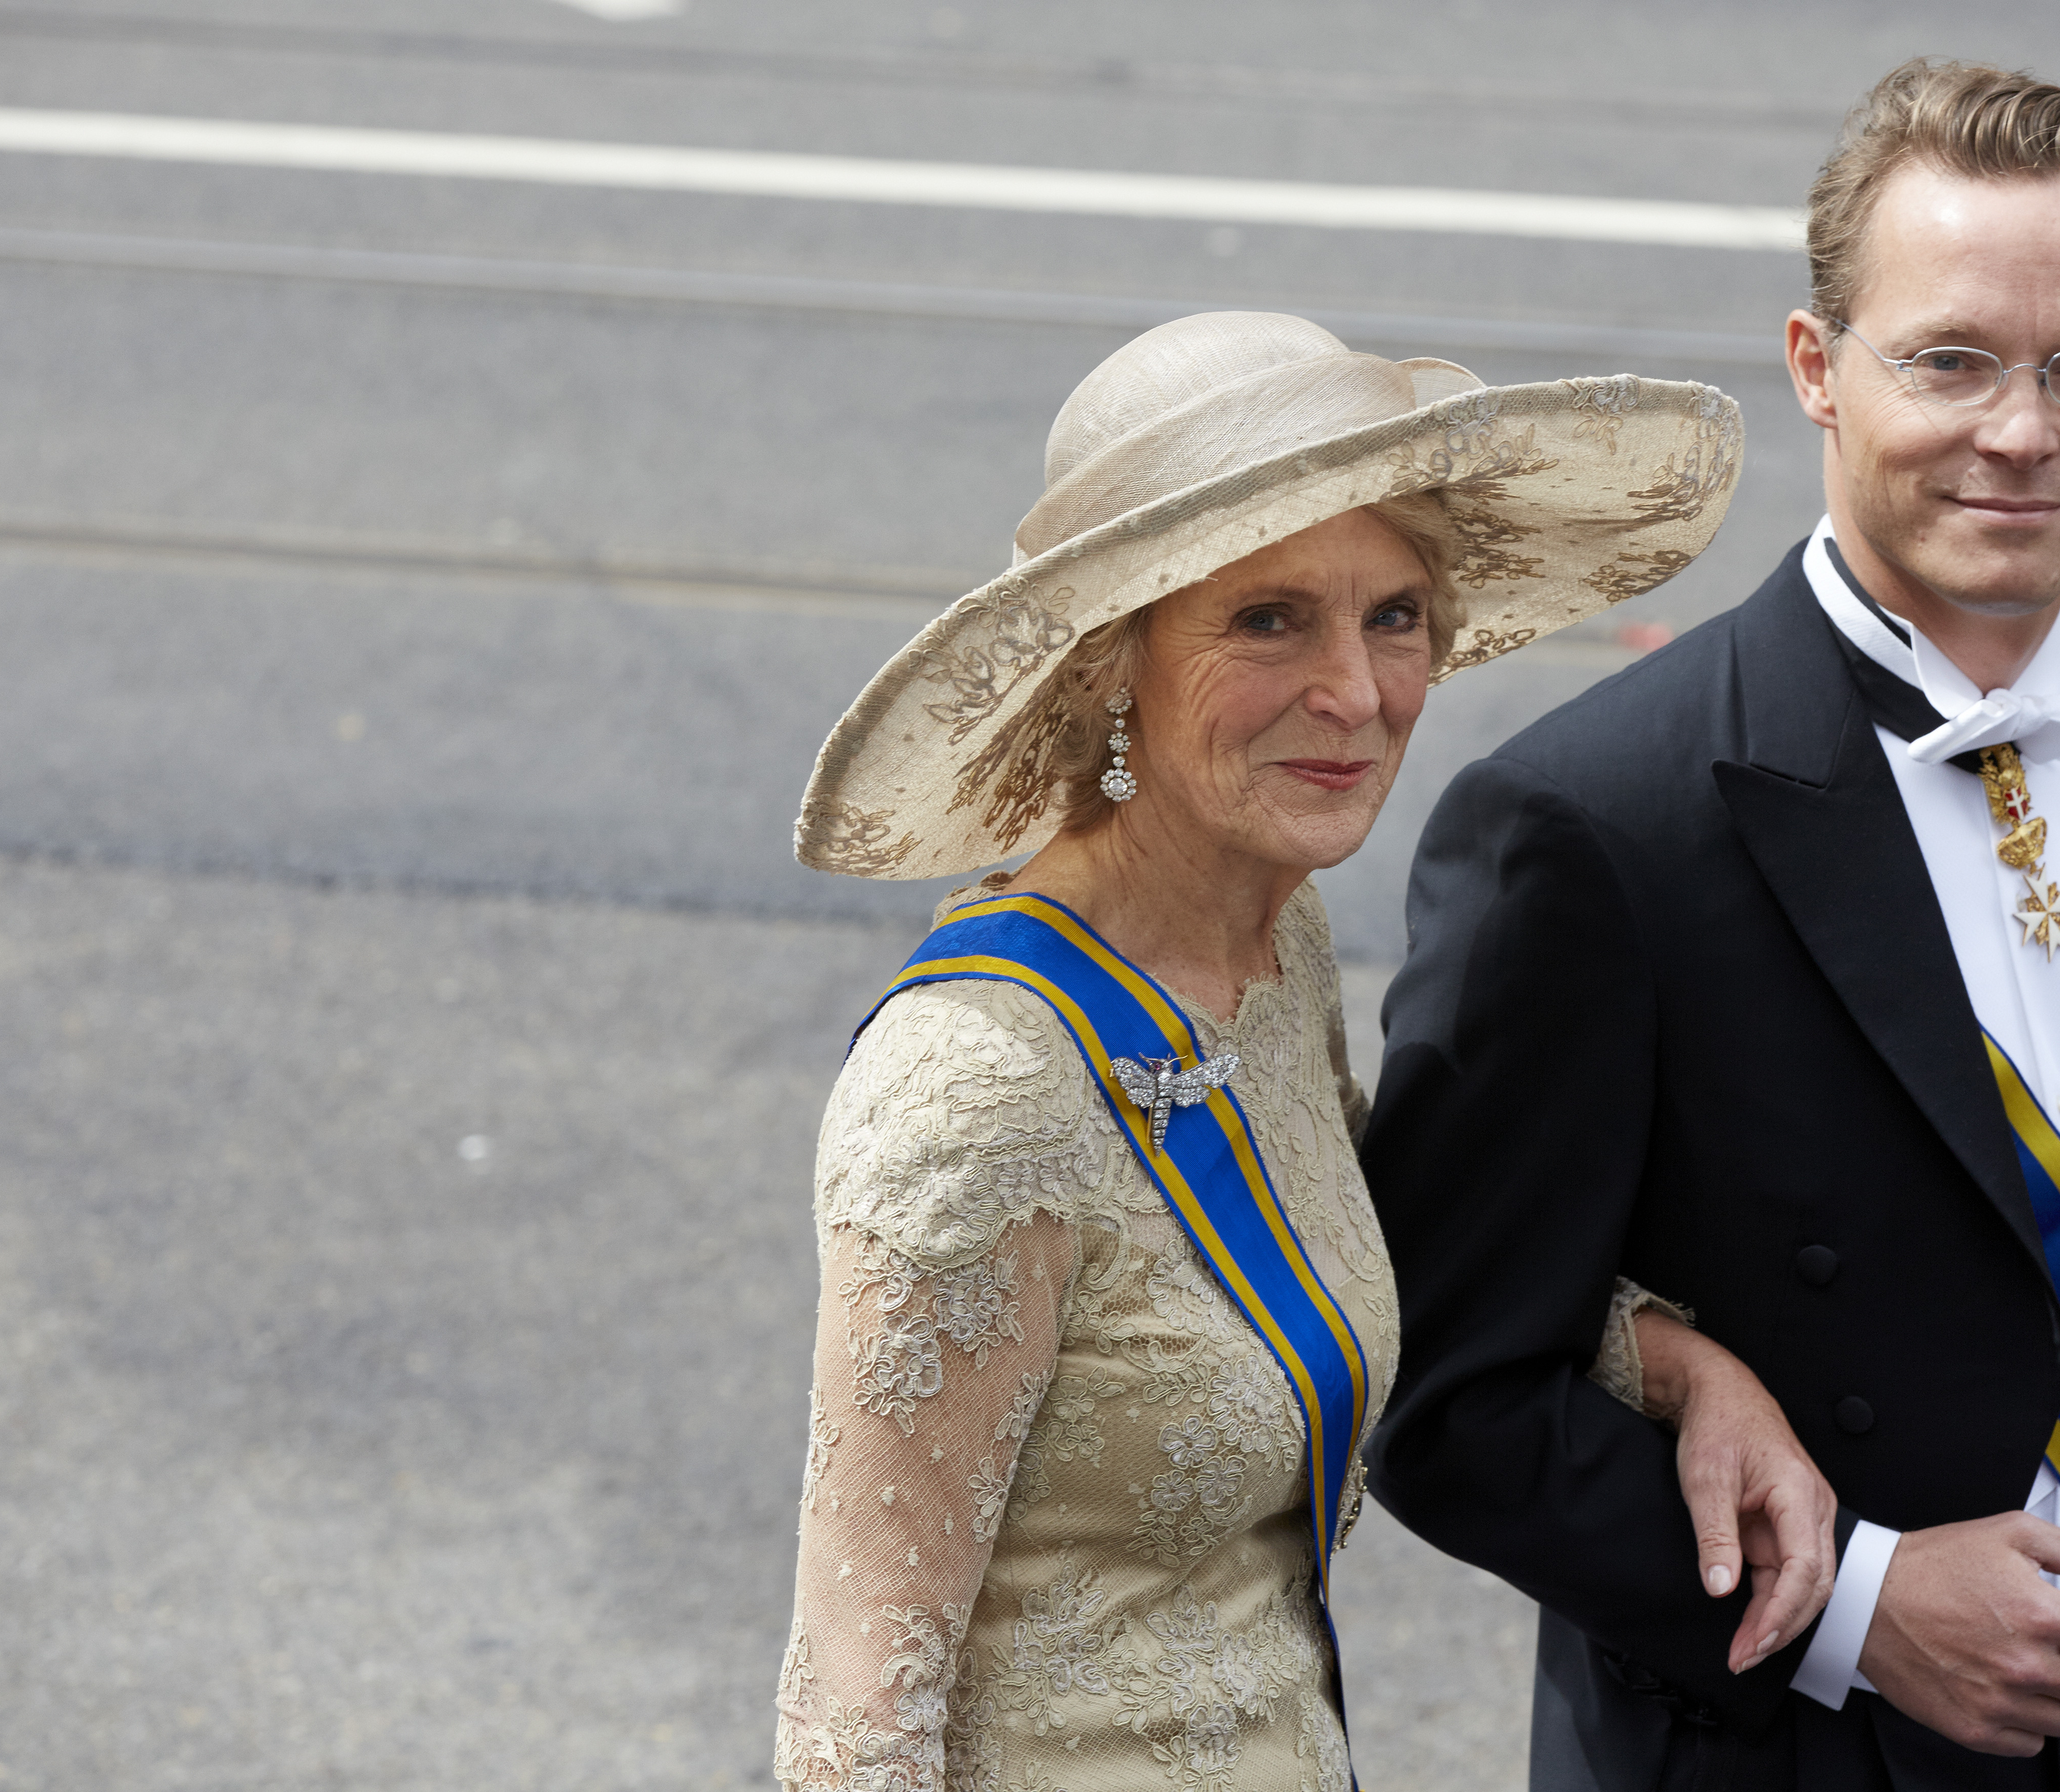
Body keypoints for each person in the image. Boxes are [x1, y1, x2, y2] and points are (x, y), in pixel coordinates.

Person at [1361, 59, 2060, 1792]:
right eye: (1951, 360)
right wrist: (1863, 1606)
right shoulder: (1594, 821)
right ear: (1819, 370)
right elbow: (1442, 1397)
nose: (2023, 430)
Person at [773, 311, 1830, 1792]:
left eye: (1394, 613)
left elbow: (1339, 1235)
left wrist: (1678, 1365)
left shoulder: (1274, 943)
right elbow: (852, 1712)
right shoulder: (973, 1094)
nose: (1356, 690)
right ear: (1110, 666)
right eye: (1269, 617)